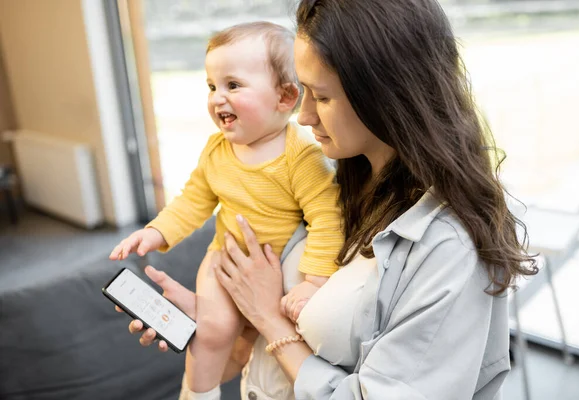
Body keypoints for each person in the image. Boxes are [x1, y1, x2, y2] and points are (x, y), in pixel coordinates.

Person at [124, 0, 539, 398]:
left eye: (320, 96)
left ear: (385, 96)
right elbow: (264, 360)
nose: (302, 116)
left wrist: (268, 319)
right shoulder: (339, 182)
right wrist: (220, 325)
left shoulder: (447, 247)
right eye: (301, 92)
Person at [109, 21, 345, 395]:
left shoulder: (301, 157)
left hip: (280, 266)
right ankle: (197, 393)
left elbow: (327, 218)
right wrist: (155, 232)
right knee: (213, 330)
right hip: (224, 261)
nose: (218, 97)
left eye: (233, 85)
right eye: (212, 86)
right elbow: (192, 200)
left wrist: (314, 282)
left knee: (270, 336)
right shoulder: (216, 149)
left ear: (285, 97)